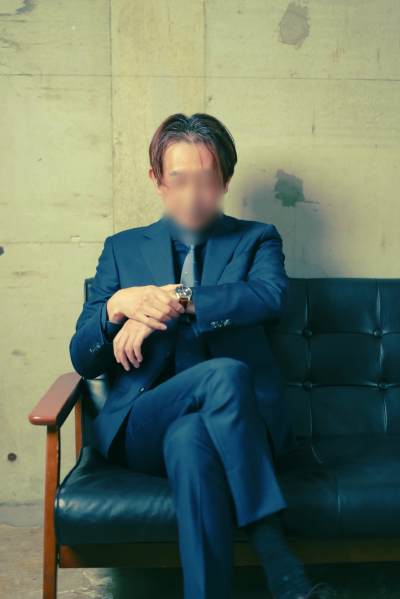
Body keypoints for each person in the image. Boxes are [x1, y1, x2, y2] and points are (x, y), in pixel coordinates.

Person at [69, 113, 327, 599]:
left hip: (236, 425)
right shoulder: (122, 250)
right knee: (224, 374)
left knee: (192, 440)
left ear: (226, 181)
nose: (193, 196)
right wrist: (118, 306)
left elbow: (271, 297)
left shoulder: (257, 238)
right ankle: (281, 565)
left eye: (207, 181)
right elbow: (84, 359)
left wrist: (176, 298)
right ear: (157, 181)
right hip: (144, 421)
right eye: (179, 180)